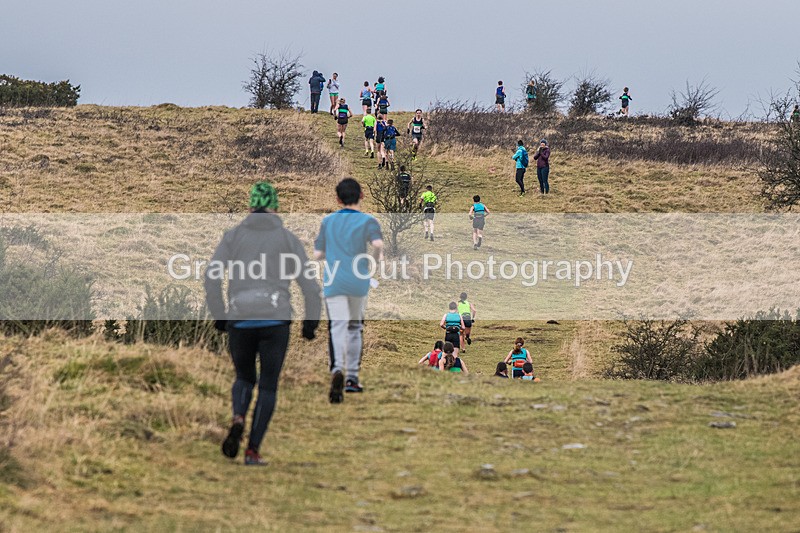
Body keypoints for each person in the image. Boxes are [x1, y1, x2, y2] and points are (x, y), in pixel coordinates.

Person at [206, 181, 322, 466]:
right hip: (275, 318)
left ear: (250, 206)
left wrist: (220, 315)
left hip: (239, 317)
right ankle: (252, 450)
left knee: (244, 378)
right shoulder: (287, 239)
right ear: (275, 207)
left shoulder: (232, 237)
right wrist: (310, 325)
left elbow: (211, 277)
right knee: (268, 386)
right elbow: (309, 285)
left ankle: (237, 417)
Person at [314, 178, 384, 403]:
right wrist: (371, 264)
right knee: (355, 328)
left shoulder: (328, 221)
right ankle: (352, 378)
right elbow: (378, 245)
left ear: (337, 198)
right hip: (358, 281)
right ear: (361, 195)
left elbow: (317, 255)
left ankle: (336, 369)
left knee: (337, 326)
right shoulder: (368, 221)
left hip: (333, 280)